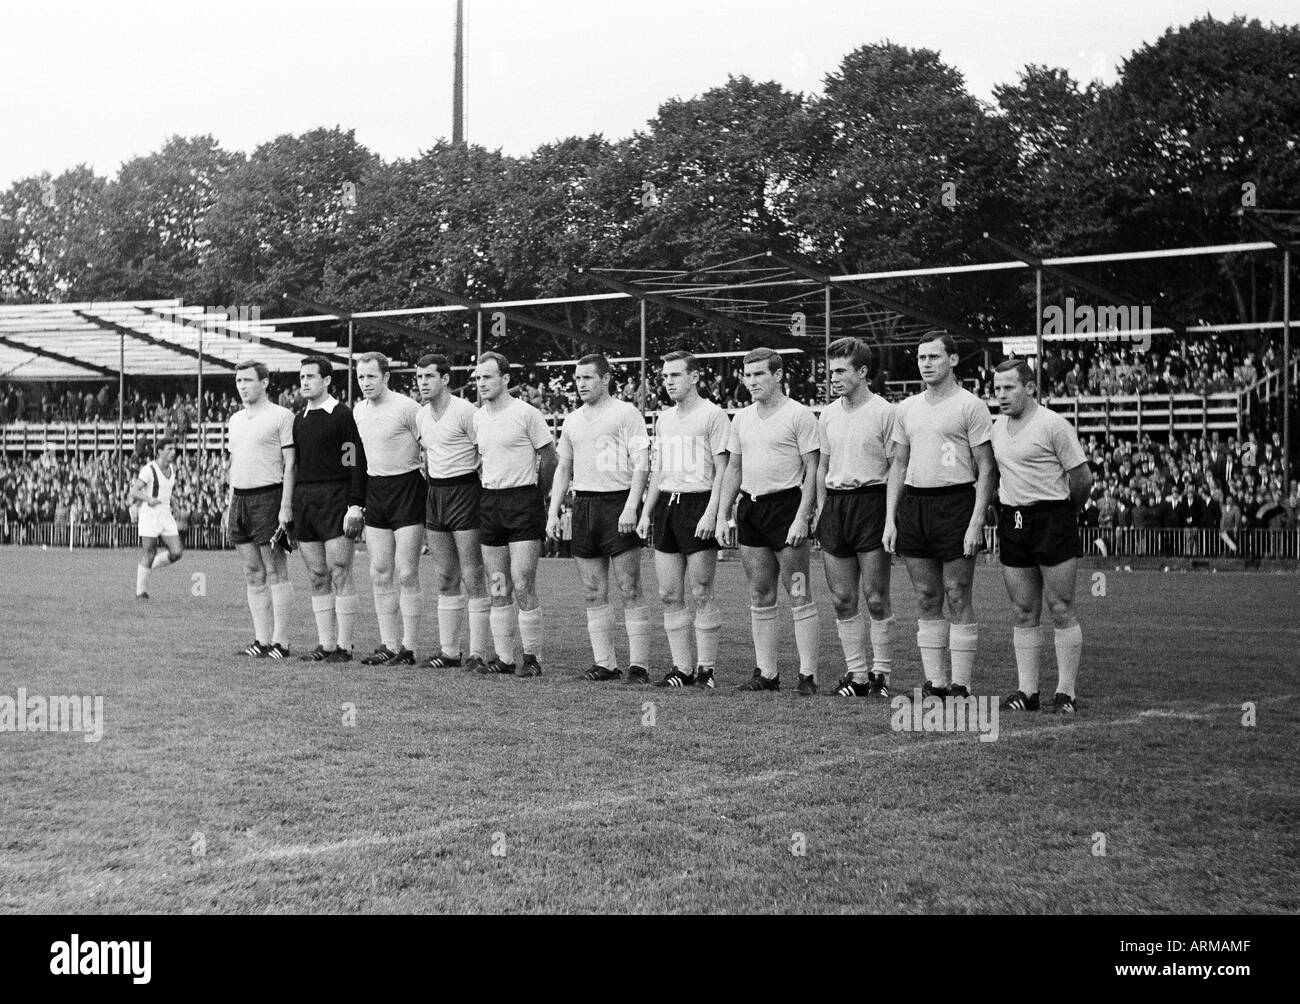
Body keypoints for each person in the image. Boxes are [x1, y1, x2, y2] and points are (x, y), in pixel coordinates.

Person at [882, 332, 995, 699]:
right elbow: (898, 463)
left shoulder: (970, 406)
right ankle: (936, 683)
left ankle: (961, 684)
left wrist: (976, 521)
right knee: (927, 596)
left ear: (953, 360)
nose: (925, 363)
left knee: (957, 592)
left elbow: (987, 467)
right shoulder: (907, 408)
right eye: (920, 357)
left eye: (933, 356)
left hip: (956, 502)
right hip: (916, 504)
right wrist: (890, 518)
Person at [714, 348, 821, 694]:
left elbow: (813, 469)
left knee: (799, 590)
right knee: (760, 593)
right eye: (747, 375)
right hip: (752, 510)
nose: (752, 381)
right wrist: (723, 513)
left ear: (778, 375)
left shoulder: (799, 415)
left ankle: (807, 675)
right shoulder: (741, 418)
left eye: (760, 374)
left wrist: (803, 516)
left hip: (787, 507)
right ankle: (767, 674)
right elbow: (733, 468)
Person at [988, 360, 1092, 715]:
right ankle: (1027, 691)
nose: (1001, 395)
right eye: (997, 388)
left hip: (1051, 516)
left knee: (1061, 606)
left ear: (1030, 387)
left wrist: (1066, 514)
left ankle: (1066, 692)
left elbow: (1082, 479)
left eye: (1009, 387)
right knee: (1023, 609)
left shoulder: (1053, 425)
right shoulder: (995, 427)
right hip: (1013, 519)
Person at [548, 354, 651, 682]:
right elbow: (564, 468)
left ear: (605, 379)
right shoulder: (572, 420)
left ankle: (639, 666)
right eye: (577, 379)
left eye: (588, 378)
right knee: (593, 590)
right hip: (584, 505)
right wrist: (553, 511)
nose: (581, 385)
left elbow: (642, 463)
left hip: (618, 503)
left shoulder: (625, 413)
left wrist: (632, 507)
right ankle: (605, 663)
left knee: (629, 587)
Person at [634, 350, 729, 689]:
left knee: (701, 590)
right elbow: (659, 469)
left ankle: (706, 670)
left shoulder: (713, 415)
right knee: (668, 593)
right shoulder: (664, 418)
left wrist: (712, 513)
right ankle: (682, 669)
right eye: (664, 376)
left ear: (693, 377)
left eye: (675, 375)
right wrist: (646, 511)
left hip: (699, 503)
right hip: (668, 508)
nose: (668, 381)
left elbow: (723, 470)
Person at [814, 338, 896, 698]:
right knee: (842, 598)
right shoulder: (828, 414)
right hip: (836, 505)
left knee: (875, 597)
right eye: (831, 371)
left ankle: (882, 674)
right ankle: (857, 675)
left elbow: (896, 467)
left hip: (872, 503)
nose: (834, 377)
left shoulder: (884, 412)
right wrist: (819, 509)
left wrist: (892, 517)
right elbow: (822, 468)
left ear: (863, 372)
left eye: (841, 370)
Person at [472, 351, 557, 677]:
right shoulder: (478, 417)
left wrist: (537, 495)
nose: (482, 383)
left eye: (488, 377)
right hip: (490, 502)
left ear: (505, 379)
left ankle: (532, 659)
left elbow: (550, 459)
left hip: (524, 501)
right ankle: (504, 659)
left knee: (522, 582)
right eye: (478, 378)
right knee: (497, 583)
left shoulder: (526, 413)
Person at [416, 353, 492, 673]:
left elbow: (484, 452)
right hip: (436, 494)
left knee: (474, 574)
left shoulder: (466, 411)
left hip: (466, 492)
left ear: (445, 379)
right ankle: (449, 652)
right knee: (446, 575)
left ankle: (477, 653)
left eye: (429, 377)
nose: (423, 383)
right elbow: (427, 457)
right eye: (419, 378)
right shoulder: (420, 416)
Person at [352, 352, 427, 666]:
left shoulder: (408, 408)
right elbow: (357, 459)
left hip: (407, 487)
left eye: (371, 376)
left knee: (407, 571)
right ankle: (389, 644)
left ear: (386, 377)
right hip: (376, 490)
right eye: (360, 377)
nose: (365, 383)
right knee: (379, 572)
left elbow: (430, 447)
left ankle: (408, 648)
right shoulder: (358, 411)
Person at [292, 355, 367, 662]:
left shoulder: (341, 415)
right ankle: (325, 645)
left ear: (326, 381)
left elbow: (355, 463)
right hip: (306, 501)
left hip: (336, 498)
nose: (305, 382)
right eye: (302, 377)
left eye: (311, 377)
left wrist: (354, 505)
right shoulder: (299, 419)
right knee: (317, 575)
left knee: (340, 572)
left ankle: (345, 647)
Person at [225, 360, 297, 658]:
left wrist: (285, 504)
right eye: (239, 381)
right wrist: (229, 501)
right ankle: (261, 640)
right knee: (252, 572)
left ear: (265, 383)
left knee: (276, 570)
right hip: (239, 499)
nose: (242, 386)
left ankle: (281, 641)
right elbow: (233, 462)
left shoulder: (282, 416)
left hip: (268, 497)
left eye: (248, 380)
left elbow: (291, 463)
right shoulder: (235, 420)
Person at [129, 437, 183, 599]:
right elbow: (134, 491)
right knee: (149, 552)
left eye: (174, 449)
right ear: (160, 451)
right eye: (169, 449)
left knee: (177, 551)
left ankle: (149, 567)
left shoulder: (173, 470)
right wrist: (148, 499)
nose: (173, 452)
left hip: (165, 513)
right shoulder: (149, 469)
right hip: (150, 515)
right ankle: (141, 592)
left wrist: (175, 505)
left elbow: (167, 492)